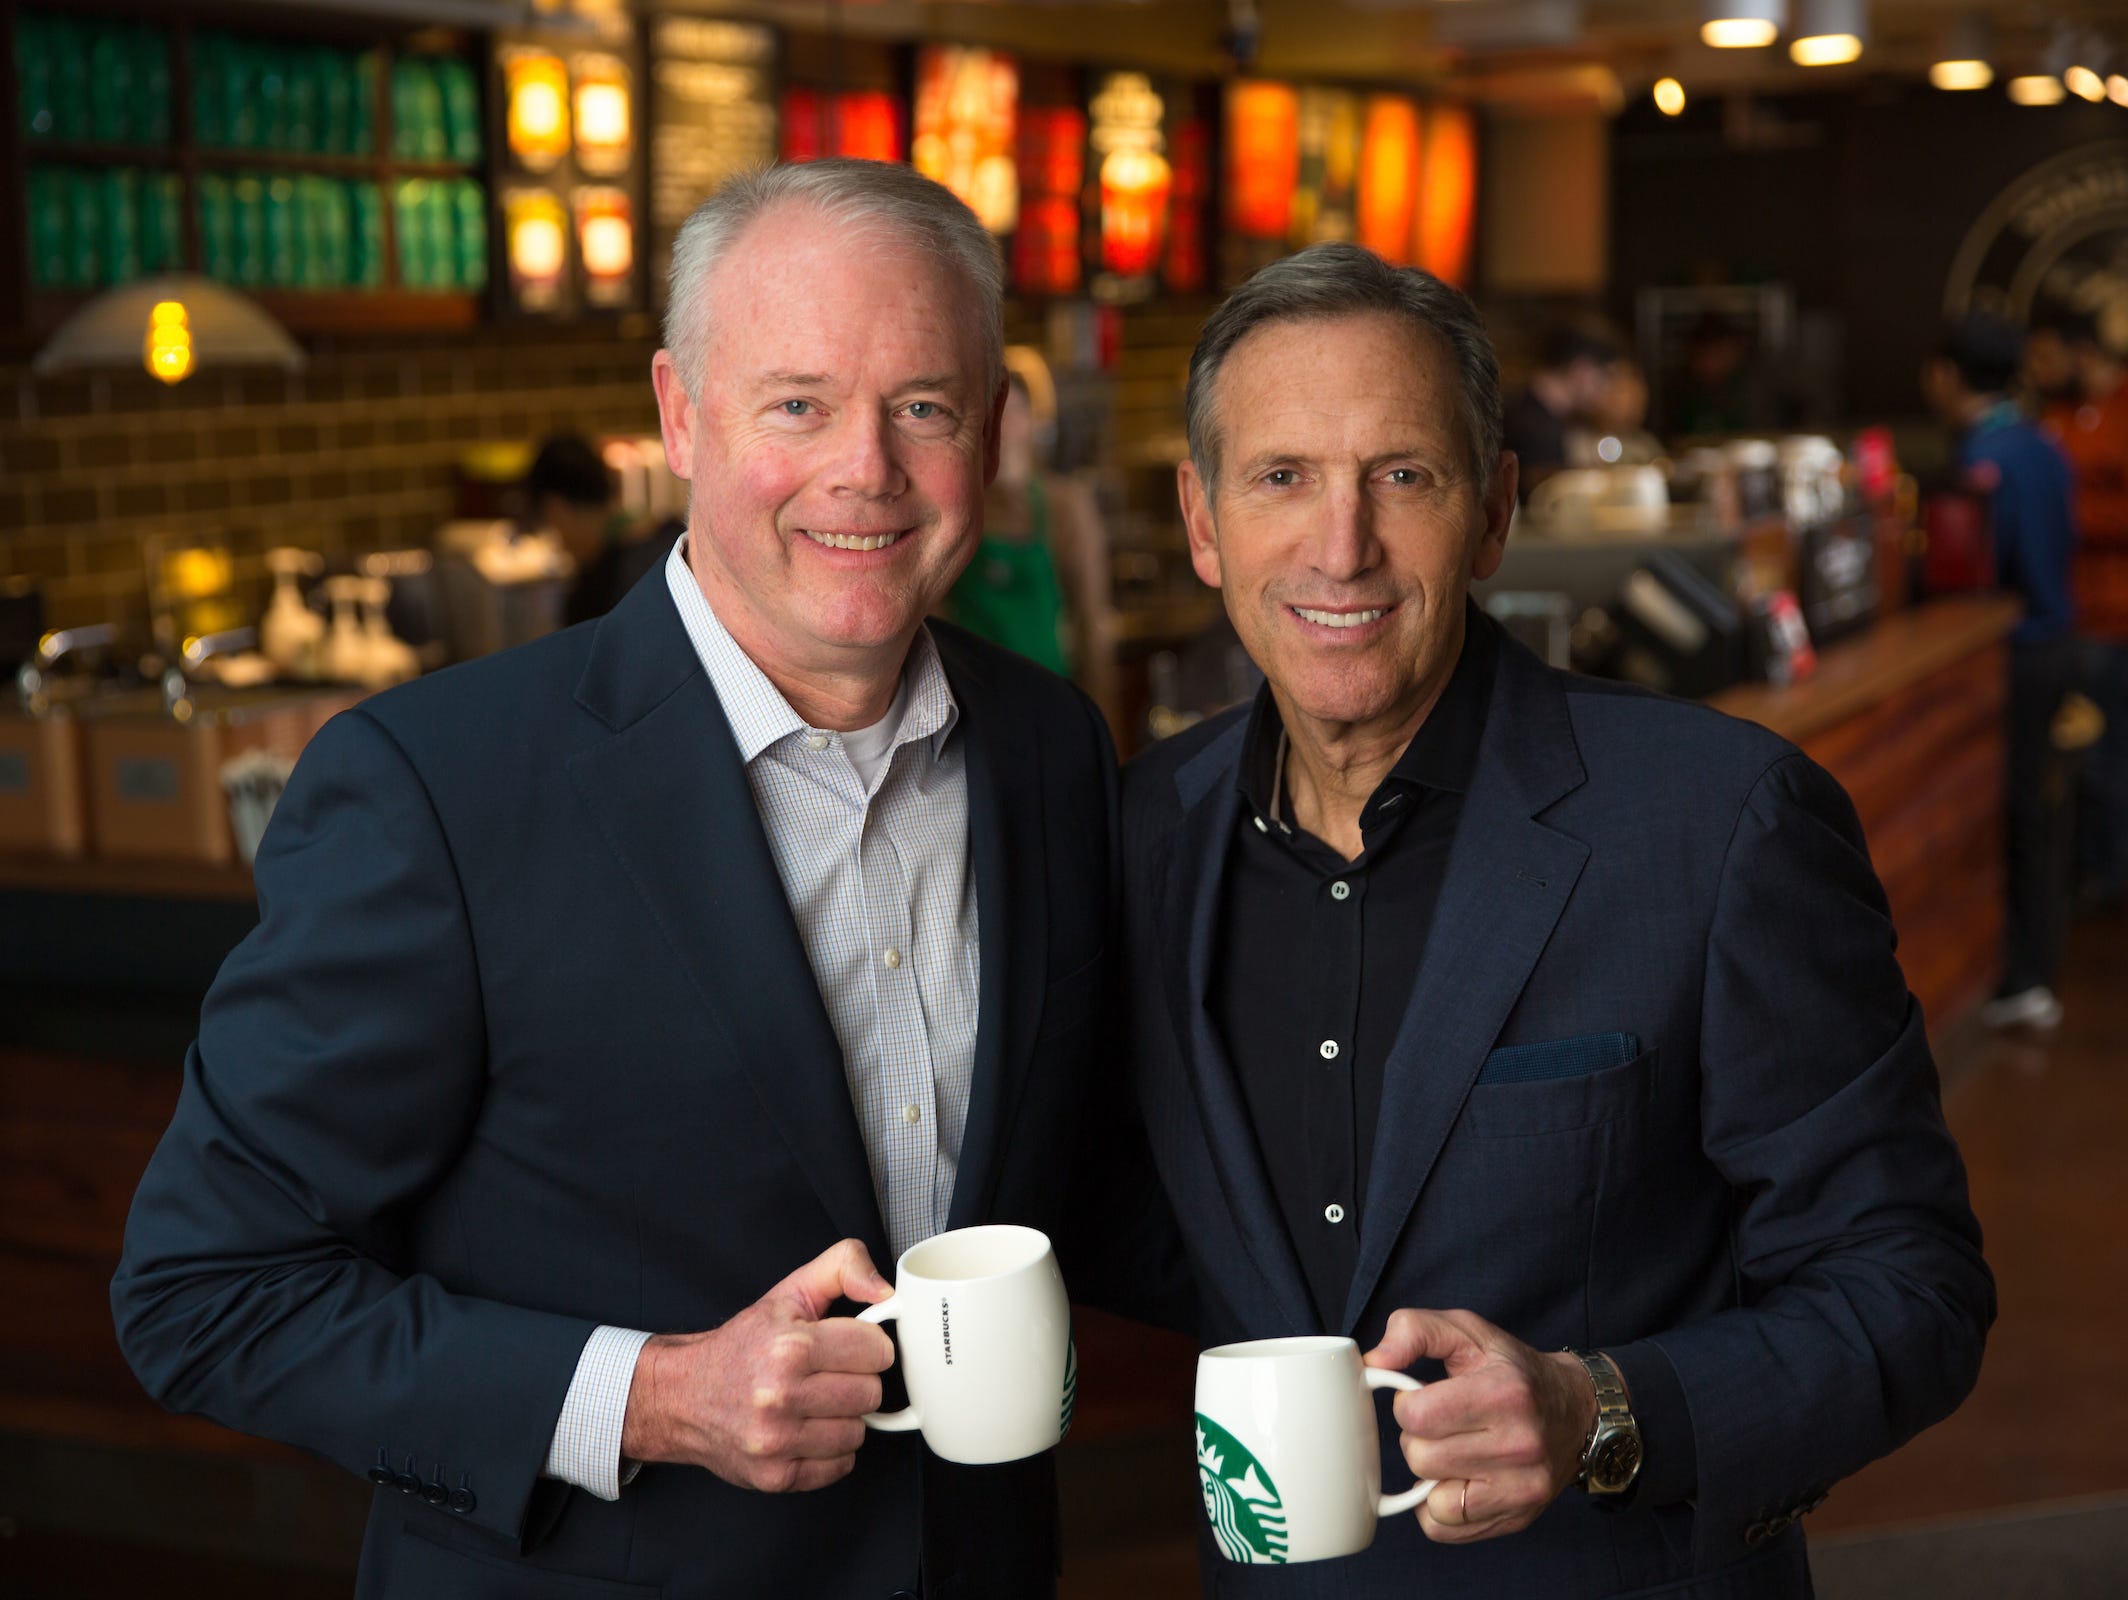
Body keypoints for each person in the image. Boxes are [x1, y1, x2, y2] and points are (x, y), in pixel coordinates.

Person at [111, 160, 1156, 1599]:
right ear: (679, 414)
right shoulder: (438, 788)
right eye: (798, 403)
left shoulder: (1046, 747)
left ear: (988, 432)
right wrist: (658, 1395)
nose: (868, 466)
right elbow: (206, 1297)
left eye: (924, 405)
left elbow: (1088, 1174)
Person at [1120, 243, 1994, 1597]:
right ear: (1202, 519)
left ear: (1493, 511)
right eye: (1281, 477)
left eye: (1402, 476)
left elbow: (1910, 1290)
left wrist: (1603, 1411)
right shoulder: (1145, 833)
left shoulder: (1721, 822)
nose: (1339, 545)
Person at [1923, 314, 2080, 1028]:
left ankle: (2023, 975)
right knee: (2037, 809)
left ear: (1947, 374)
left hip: (2014, 649)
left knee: (2015, 811)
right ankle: (2033, 966)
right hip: (2058, 639)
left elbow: (1974, 569)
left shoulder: (1986, 455)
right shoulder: (2043, 440)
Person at [945, 359, 1119, 728]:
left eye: (1015, 412)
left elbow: (1092, 620)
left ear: (1033, 422)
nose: (1005, 424)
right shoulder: (955, 507)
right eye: (994, 414)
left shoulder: (1065, 506)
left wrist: (1103, 722)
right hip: (973, 710)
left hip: (1051, 702)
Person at [2034, 309, 2128, 908]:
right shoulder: (2057, 417)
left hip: (2116, 618)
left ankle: (2109, 876)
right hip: (2071, 614)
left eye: (2049, 356)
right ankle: (2095, 870)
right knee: (2082, 756)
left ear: (2082, 352)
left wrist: (2067, 518)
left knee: (2110, 755)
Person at [517, 433, 670, 628]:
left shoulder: (595, 595)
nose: (561, 545)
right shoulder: (670, 542)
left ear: (557, 509)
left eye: (553, 529)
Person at [1499, 325, 1623, 500]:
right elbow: (1539, 497)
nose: (1606, 388)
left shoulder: (1529, 412)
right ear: (1581, 370)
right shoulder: (1534, 426)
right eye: (1604, 376)